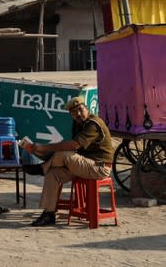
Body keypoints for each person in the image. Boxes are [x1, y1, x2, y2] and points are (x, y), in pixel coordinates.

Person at [25, 96, 114, 227]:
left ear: (86, 108)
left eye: (80, 110)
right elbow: (69, 152)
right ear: (71, 115)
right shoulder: (78, 124)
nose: (78, 114)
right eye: (74, 112)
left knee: (64, 154)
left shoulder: (93, 124)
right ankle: (49, 213)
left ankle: (42, 168)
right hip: (83, 165)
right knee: (52, 174)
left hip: (99, 168)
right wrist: (36, 151)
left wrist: (44, 147)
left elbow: (73, 146)